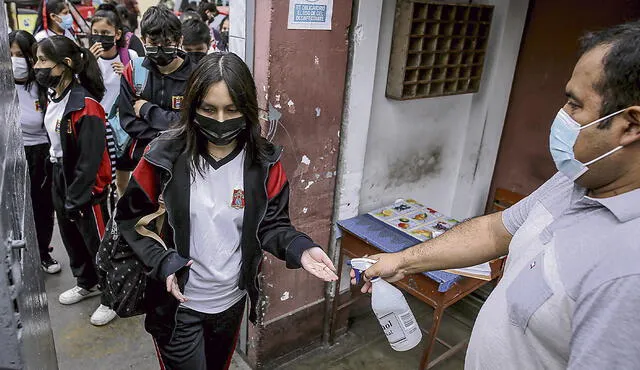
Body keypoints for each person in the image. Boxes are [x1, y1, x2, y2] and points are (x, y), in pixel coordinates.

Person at [351, 21, 640, 370]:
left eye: (575, 105)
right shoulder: (577, 178)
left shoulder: (626, 276)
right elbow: (495, 231)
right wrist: (403, 261)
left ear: (630, 125)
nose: (561, 116)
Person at [115, 52, 338, 370]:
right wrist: (163, 261)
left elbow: (272, 224)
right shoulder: (162, 157)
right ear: (193, 107)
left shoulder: (264, 163)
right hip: (178, 307)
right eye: (209, 109)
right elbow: (131, 219)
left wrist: (301, 249)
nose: (220, 120)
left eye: (231, 110)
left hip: (230, 304)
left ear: (247, 109)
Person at [34, 36, 116, 326]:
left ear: (65, 64)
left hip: (87, 185)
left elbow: (91, 159)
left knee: (97, 241)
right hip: (60, 175)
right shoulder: (53, 96)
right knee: (70, 235)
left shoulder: (87, 105)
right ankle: (86, 281)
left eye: (43, 60)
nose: (37, 66)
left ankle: (111, 296)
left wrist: (81, 195)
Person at [118, 6, 196, 165]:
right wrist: (169, 131)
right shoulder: (133, 71)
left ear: (179, 40)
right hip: (143, 160)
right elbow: (128, 121)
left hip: (183, 161)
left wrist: (147, 110)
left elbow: (190, 123)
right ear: (143, 39)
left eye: (167, 42)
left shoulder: (195, 76)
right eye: (153, 42)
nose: (160, 48)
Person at [9, 30, 59, 274]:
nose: (15, 60)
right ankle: (17, 256)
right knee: (14, 210)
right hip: (11, 156)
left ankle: (42, 252)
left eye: (20, 54)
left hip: (39, 154)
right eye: (10, 55)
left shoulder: (41, 87)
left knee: (42, 206)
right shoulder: (4, 90)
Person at [89, 3, 139, 196]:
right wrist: (88, 65)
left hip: (122, 129)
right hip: (97, 128)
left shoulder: (130, 56)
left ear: (117, 34)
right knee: (99, 180)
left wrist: (127, 75)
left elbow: (139, 92)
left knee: (122, 182)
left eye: (105, 32)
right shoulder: (87, 59)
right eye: (96, 32)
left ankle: (121, 218)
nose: (100, 37)